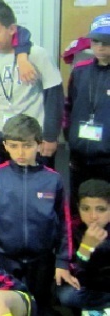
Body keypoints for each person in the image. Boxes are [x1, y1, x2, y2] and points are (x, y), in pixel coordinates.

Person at [0, 114, 76, 314]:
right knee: (9, 305)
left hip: (42, 259)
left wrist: (63, 261)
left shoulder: (53, 179)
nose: (20, 152)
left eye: (27, 146)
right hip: (3, 257)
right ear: (5, 145)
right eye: (14, 146)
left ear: (38, 145)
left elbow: (65, 224)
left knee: (40, 305)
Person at [0, 1, 63, 167]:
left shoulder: (37, 55)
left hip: (34, 137)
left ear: (11, 29)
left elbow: (54, 99)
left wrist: (50, 137)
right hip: (3, 137)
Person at [64, 13, 110, 212]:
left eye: (106, 42)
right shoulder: (80, 71)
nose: (100, 46)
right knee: (79, 204)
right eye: (96, 41)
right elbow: (69, 106)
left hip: (107, 158)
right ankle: (80, 242)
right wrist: (70, 137)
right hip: (80, 154)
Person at [56, 179, 110, 312]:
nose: (93, 216)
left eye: (101, 209)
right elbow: (75, 273)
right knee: (66, 295)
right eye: (85, 209)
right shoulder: (72, 229)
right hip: (88, 288)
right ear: (78, 207)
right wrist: (86, 248)